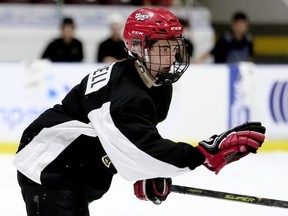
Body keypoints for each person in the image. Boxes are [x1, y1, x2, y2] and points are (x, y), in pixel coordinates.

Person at [14, 8, 266, 215]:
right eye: (163, 49)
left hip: (74, 167)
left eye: (174, 48)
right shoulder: (125, 96)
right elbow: (140, 148)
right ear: (138, 48)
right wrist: (203, 153)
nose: (171, 57)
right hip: (50, 167)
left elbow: (132, 142)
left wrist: (149, 172)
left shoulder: (154, 83)